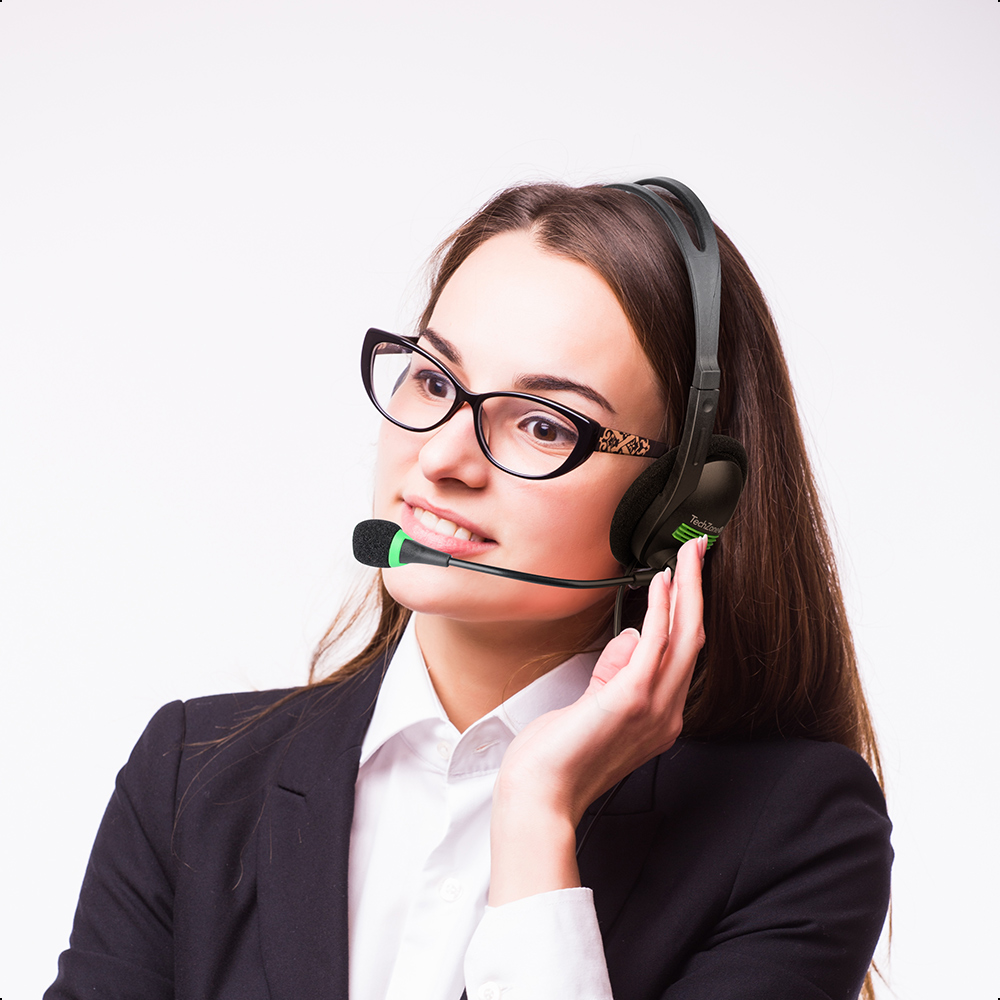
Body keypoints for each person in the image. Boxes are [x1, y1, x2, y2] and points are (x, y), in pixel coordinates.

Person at [46, 179, 892, 1000]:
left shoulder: (794, 831)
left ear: (678, 503)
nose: (443, 458)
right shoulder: (193, 776)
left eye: (541, 423)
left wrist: (535, 815)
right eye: (434, 381)